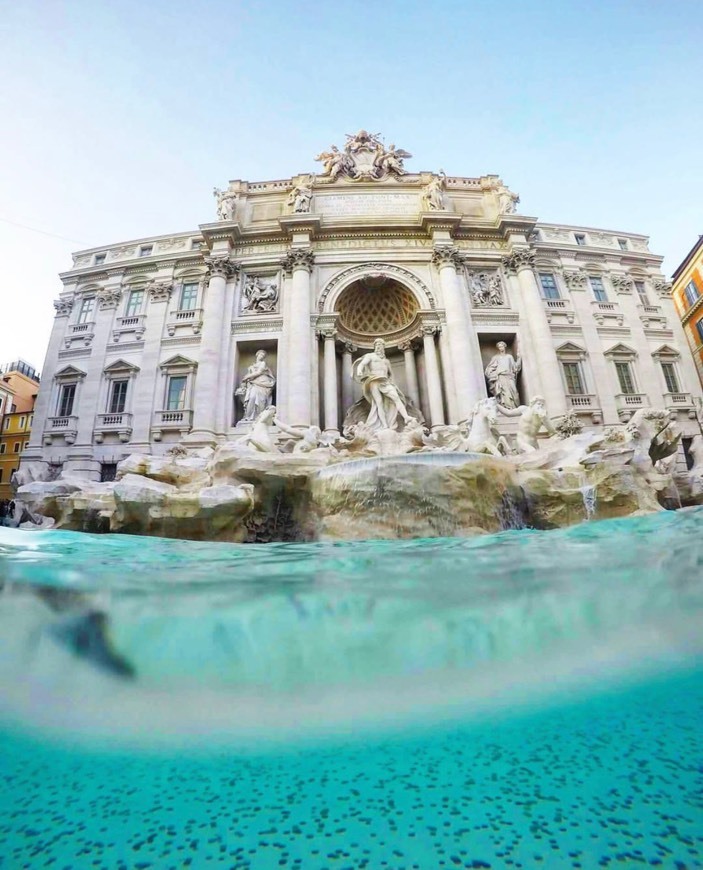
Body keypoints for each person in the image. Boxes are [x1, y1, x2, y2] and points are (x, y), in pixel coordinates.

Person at [352, 339, 412, 431]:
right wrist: (359, 370)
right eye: (377, 345)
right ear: (375, 347)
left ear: (383, 348)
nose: (379, 347)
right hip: (374, 381)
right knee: (378, 403)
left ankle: (406, 417)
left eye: (381, 345)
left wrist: (392, 383)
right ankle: (384, 425)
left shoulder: (386, 361)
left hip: (385, 381)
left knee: (396, 398)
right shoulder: (370, 356)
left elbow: (390, 374)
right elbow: (362, 364)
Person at [236, 350, 276, 421]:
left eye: (263, 356)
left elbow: (259, 372)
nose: (262, 356)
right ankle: (248, 417)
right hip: (253, 384)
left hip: (263, 383)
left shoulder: (263, 363)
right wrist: (244, 383)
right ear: (257, 355)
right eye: (261, 355)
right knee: (252, 397)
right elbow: (249, 376)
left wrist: (247, 377)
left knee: (261, 400)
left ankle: (259, 418)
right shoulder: (251, 366)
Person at [484, 342, 521, 409]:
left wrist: (519, 358)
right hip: (501, 377)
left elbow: (515, 368)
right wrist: (494, 374)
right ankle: (506, 408)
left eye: (502, 346)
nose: (501, 348)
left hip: (509, 377)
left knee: (514, 392)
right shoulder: (496, 358)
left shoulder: (509, 357)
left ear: (505, 347)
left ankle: (515, 408)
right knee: (504, 393)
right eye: (499, 347)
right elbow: (489, 369)